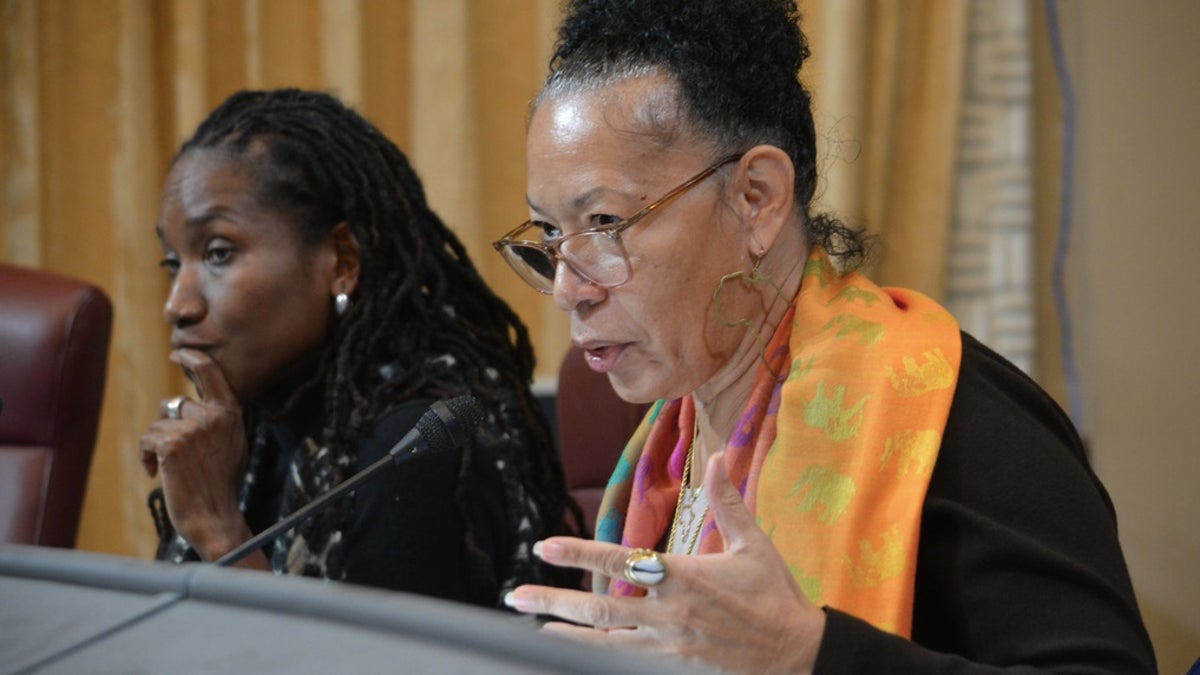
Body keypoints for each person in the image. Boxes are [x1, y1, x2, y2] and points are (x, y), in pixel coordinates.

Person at [493, 0, 1158, 671]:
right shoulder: (665, 444)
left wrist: (808, 652)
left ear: (756, 197)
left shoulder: (948, 413)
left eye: (604, 222)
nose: (571, 288)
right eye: (550, 234)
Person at [139, 88, 582, 607]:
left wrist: (217, 529)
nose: (178, 304)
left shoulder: (416, 447)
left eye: (218, 253)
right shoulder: (255, 433)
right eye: (173, 263)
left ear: (342, 259)